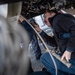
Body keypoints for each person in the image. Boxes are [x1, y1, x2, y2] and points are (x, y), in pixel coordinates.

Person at [35, 9, 75, 75]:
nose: (44, 19)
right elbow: (54, 43)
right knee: (50, 66)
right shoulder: (56, 24)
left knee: (44, 58)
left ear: (52, 14)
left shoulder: (59, 19)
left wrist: (69, 50)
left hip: (72, 59)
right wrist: (41, 32)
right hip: (71, 58)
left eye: (45, 16)